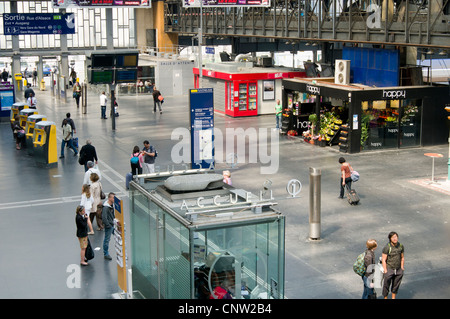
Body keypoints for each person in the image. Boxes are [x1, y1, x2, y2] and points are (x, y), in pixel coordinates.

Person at [382, 231, 405, 299]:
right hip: (389, 269)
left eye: (396, 237)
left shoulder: (401, 246)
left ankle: (393, 298)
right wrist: (385, 270)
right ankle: (385, 297)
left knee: (396, 285)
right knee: (386, 285)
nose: (395, 238)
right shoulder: (387, 247)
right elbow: (383, 259)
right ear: (390, 239)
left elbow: (402, 257)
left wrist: (402, 267)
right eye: (393, 237)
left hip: (398, 269)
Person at [102, 192, 116, 260]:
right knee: (107, 239)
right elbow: (104, 218)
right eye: (113, 198)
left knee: (117, 237)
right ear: (109, 198)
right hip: (110, 225)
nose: (114, 199)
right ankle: (106, 253)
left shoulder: (112, 205)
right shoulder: (106, 208)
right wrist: (108, 225)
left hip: (112, 224)